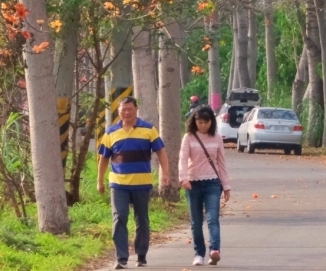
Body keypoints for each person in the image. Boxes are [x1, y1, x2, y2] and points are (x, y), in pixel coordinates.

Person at [98, 96, 171, 269]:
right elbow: (104, 158)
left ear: (136, 109)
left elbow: (161, 152)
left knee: (142, 220)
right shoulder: (110, 132)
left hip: (142, 183)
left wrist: (165, 173)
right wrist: (99, 180)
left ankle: (141, 255)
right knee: (119, 218)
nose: (127, 113)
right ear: (119, 112)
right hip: (118, 184)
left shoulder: (148, 129)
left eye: (130, 109)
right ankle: (121, 258)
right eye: (123, 110)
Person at [180, 105, 233, 266]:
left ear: (212, 122)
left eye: (206, 122)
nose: (203, 125)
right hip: (193, 184)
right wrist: (183, 178)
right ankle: (199, 254)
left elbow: (221, 163)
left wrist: (226, 186)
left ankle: (214, 250)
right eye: (200, 122)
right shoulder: (189, 137)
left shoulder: (217, 138)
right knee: (196, 222)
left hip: (212, 183)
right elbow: (182, 159)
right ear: (194, 121)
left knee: (212, 219)